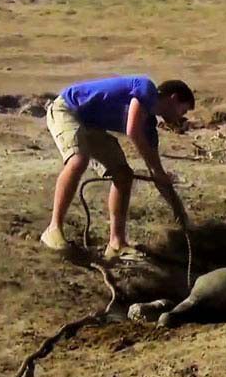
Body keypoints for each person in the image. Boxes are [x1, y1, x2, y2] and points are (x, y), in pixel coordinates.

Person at [41, 75, 193, 259]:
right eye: (182, 111)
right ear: (174, 98)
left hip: (90, 126)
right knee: (78, 160)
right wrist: (146, 149)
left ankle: (116, 243)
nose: (180, 118)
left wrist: (179, 211)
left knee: (123, 174)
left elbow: (157, 172)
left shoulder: (149, 127)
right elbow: (132, 130)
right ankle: (53, 229)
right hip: (68, 110)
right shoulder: (146, 88)